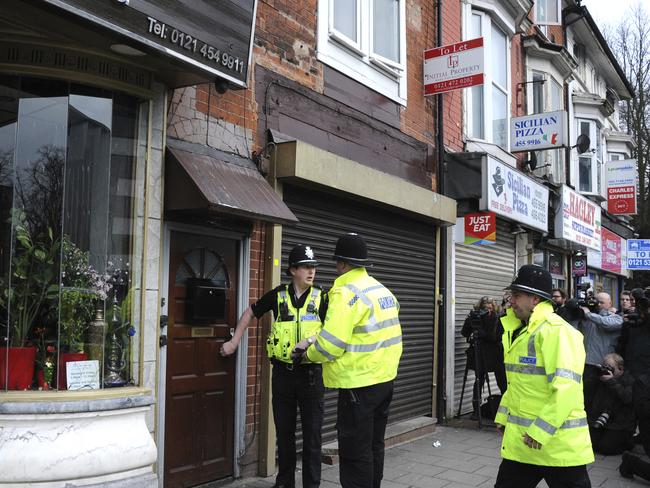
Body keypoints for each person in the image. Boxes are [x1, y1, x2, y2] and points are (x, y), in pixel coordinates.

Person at [292, 233, 402, 488]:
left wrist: (308, 354)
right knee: (374, 444)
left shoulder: (343, 292)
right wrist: (311, 339)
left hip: (358, 386)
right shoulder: (381, 290)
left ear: (341, 263)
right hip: (385, 381)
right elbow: (361, 328)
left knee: (354, 452)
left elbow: (331, 344)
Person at [220, 244, 327, 488]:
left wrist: (309, 340)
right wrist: (235, 341)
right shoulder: (278, 296)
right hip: (282, 375)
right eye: (306, 267)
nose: (312, 272)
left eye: (314, 267)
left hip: (311, 375)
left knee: (312, 438)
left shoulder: (322, 297)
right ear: (292, 270)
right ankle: (284, 483)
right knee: (285, 435)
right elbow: (250, 312)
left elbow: (333, 330)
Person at [494, 264, 593, 488]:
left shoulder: (557, 332)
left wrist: (540, 431)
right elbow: (517, 383)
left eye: (517, 295)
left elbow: (567, 388)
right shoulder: (521, 331)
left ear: (535, 299)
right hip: (524, 443)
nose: (511, 301)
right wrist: (503, 416)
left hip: (558, 446)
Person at [574, 292, 623, 412]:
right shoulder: (586, 317)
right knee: (585, 399)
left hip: (604, 365)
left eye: (602, 302)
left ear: (610, 303)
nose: (598, 304)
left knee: (601, 400)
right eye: (596, 301)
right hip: (586, 364)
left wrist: (588, 314)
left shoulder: (615, 317)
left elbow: (606, 323)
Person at [460, 296, 506, 419]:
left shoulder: (498, 318)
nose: (488, 311)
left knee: (502, 381)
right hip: (479, 352)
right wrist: (471, 321)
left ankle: (506, 409)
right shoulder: (475, 316)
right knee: (479, 381)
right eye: (485, 308)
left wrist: (482, 332)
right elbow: (464, 332)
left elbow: (495, 337)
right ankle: (477, 411)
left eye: (490, 308)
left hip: (495, 354)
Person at [587, 353, 635, 455]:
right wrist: (595, 375)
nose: (606, 370)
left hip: (619, 424)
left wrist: (612, 381)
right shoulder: (601, 378)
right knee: (591, 445)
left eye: (610, 367)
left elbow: (627, 398)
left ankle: (629, 442)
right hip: (601, 420)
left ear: (620, 369)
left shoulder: (629, 380)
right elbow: (588, 394)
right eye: (604, 366)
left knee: (607, 448)